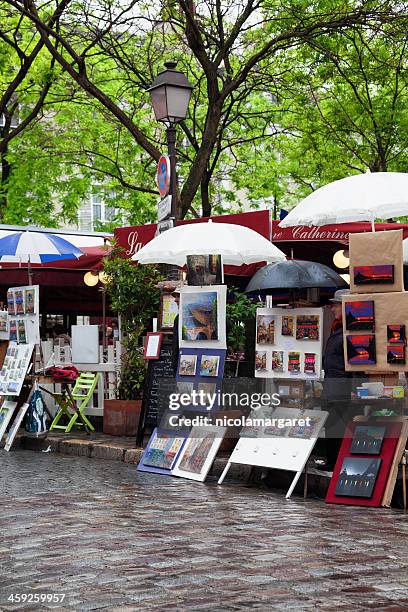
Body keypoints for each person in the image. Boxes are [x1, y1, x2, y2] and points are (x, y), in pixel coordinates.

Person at [322, 288, 358, 470]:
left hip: (341, 387)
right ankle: (332, 461)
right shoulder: (337, 329)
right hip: (333, 385)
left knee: (338, 426)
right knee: (332, 425)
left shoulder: (348, 331)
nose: (332, 308)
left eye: (335, 305)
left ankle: (336, 463)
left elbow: (355, 363)